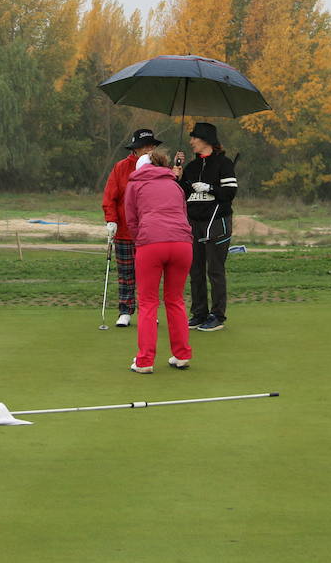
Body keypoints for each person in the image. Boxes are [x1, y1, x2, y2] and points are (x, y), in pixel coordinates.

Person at [123, 147, 194, 374]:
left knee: (147, 302)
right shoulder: (173, 183)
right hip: (182, 244)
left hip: (151, 244)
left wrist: (141, 240)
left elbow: (131, 220)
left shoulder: (134, 184)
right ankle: (182, 355)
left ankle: (144, 361)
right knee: (175, 300)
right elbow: (183, 213)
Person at [176, 121, 237, 332]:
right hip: (194, 223)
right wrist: (177, 177)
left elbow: (229, 192)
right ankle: (199, 313)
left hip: (217, 222)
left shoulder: (224, 163)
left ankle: (217, 315)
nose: (191, 141)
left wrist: (210, 187)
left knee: (215, 270)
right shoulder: (191, 167)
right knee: (196, 270)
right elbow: (181, 195)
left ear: (206, 140)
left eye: (194, 137)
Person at [101, 128, 162, 327]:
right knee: (126, 274)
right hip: (126, 231)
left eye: (151, 146)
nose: (148, 150)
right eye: (144, 147)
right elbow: (110, 197)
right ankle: (125, 311)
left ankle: (149, 311)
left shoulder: (159, 168)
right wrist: (111, 221)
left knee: (149, 275)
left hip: (150, 232)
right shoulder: (121, 168)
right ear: (135, 149)